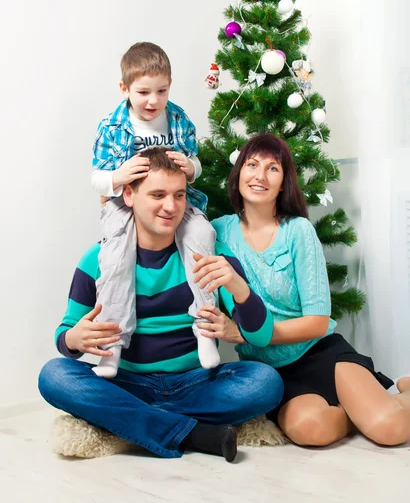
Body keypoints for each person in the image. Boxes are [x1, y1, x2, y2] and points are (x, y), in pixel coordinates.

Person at [38, 147, 284, 462]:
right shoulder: (98, 259)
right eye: (157, 195)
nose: (171, 207)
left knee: (266, 383)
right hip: (125, 382)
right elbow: (66, 334)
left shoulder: (211, 254)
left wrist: (238, 288)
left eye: (179, 195)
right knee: (53, 375)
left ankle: (132, 421)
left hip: (195, 381)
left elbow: (261, 337)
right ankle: (191, 432)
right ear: (128, 195)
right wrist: (73, 339)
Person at [195, 133, 410, 447]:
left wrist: (246, 334)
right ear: (239, 173)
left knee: (390, 430)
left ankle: (395, 397)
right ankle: (362, 407)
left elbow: (317, 323)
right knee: (309, 430)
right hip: (269, 371)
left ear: (283, 183)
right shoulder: (216, 232)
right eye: (252, 164)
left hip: (318, 352)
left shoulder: (298, 231)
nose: (259, 175)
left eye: (273, 169)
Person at [91, 42, 220, 378]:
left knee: (203, 234)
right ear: (125, 89)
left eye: (161, 91)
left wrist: (191, 168)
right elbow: (98, 178)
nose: (152, 101)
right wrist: (118, 178)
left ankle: (204, 326)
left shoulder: (178, 119)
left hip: (177, 201)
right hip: (126, 206)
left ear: (170, 87)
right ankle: (113, 342)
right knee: (115, 257)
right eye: (143, 92)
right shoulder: (113, 126)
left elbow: (195, 163)